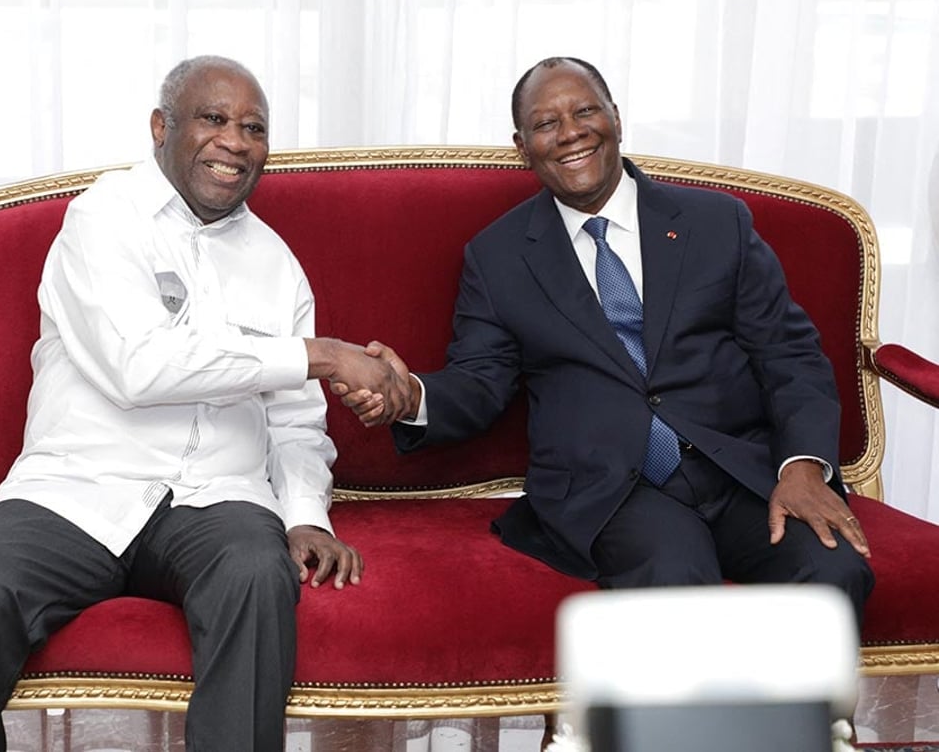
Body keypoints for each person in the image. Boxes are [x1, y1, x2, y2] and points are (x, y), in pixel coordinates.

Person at [0, 55, 410, 752]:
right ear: (160, 127)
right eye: (213, 118)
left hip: (217, 500)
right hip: (77, 489)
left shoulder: (274, 262)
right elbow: (137, 366)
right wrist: (319, 354)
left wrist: (303, 514)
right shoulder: (102, 219)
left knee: (257, 579)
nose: (235, 141)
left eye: (253, 127)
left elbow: (293, 420)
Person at [336, 56, 874, 621]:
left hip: (741, 472)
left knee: (833, 571)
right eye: (547, 124)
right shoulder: (498, 257)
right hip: (613, 490)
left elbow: (788, 353)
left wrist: (804, 467)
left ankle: (791, 715)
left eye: (585, 111)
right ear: (522, 146)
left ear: (616, 117)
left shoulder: (717, 223)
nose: (570, 132)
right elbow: (480, 383)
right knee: (674, 584)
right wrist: (412, 396)